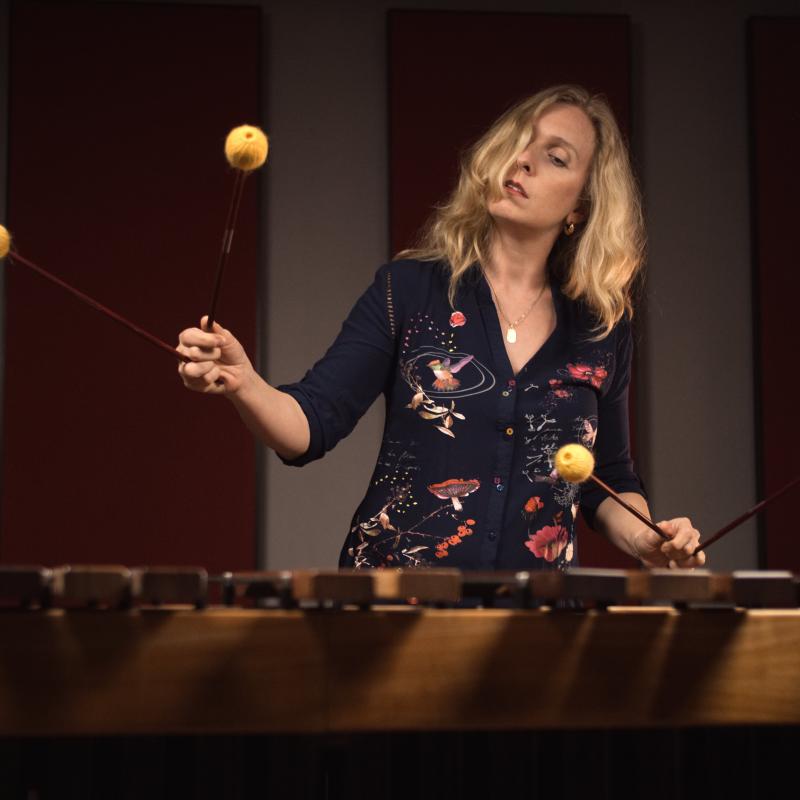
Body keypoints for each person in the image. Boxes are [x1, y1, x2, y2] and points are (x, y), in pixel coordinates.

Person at [177, 84, 705, 572]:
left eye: (555, 157)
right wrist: (244, 382)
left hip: (537, 624)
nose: (522, 160)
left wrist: (648, 540)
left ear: (581, 206)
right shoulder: (410, 289)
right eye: (520, 143)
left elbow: (606, 479)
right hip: (393, 607)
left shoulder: (600, 328)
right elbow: (312, 423)